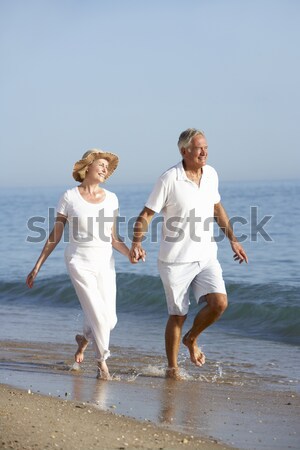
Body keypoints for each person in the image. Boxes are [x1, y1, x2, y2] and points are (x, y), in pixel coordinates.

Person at [130, 128, 248, 380]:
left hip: (206, 255)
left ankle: (191, 338)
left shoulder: (211, 174)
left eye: (206, 147)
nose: (204, 152)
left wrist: (233, 240)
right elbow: (146, 214)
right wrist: (136, 242)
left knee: (220, 303)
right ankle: (172, 369)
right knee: (178, 315)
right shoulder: (169, 179)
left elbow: (217, 208)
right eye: (198, 148)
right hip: (175, 261)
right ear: (184, 151)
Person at [26, 149, 131, 380]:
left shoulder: (112, 198)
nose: (105, 169)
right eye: (101, 164)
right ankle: (102, 363)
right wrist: (37, 266)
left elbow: (113, 238)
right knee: (99, 317)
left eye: (107, 166)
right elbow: (55, 236)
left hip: (105, 261)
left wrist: (130, 253)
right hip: (78, 261)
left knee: (109, 320)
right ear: (88, 167)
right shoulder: (69, 197)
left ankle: (83, 340)